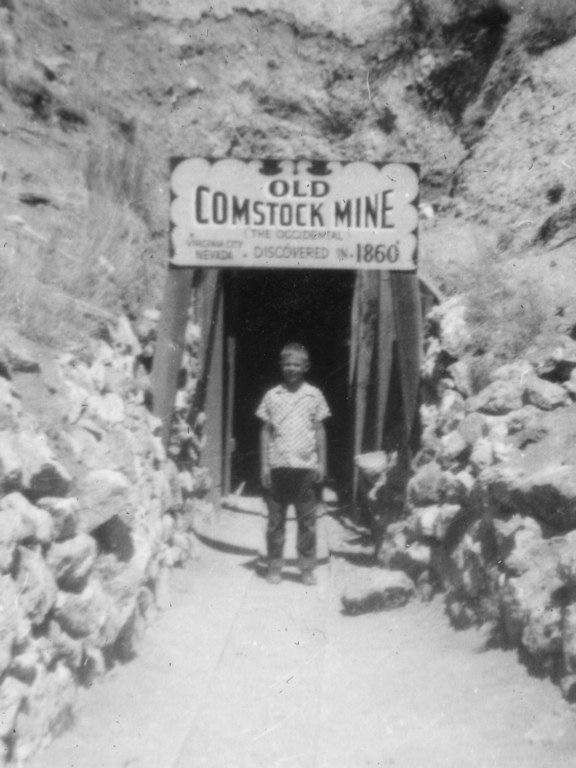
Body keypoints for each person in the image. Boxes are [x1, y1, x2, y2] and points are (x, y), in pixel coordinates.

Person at [256, 343, 331, 586]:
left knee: (307, 521)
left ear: (305, 367)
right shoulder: (272, 396)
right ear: (281, 366)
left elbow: (320, 431)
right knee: (275, 521)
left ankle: (307, 567)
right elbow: (265, 432)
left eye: (297, 365)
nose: (292, 369)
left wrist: (322, 463)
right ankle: (274, 566)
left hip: (306, 469)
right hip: (278, 467)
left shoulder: (314, 395)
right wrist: (264, 466)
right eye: (287, 364)